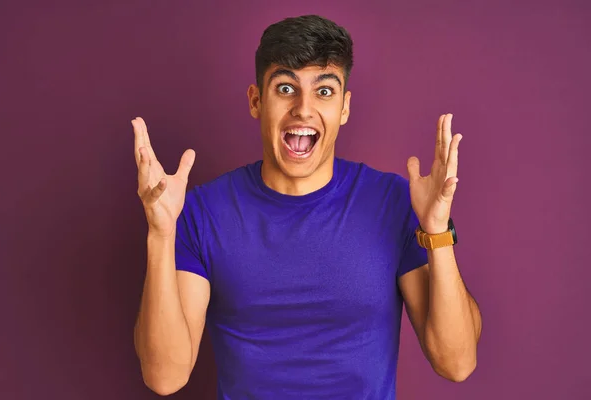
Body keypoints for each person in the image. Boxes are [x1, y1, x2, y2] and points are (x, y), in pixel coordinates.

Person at [132, 14, 482, 400]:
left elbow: (457, 362)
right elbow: (165, 376)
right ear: (256, 101)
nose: (303, 108)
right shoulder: (202, 212)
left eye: (325, 92)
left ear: (345, 108)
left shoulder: (392, 202)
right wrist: (161, 235)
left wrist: (436, 231)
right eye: (285, 88)